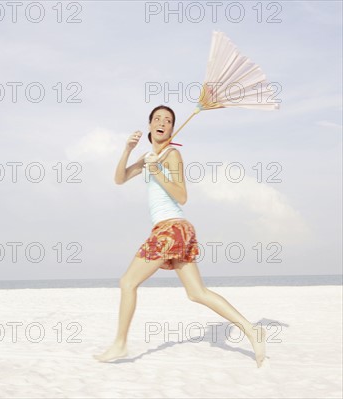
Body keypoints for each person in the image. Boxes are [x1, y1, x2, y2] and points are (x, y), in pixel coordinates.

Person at [93, 105, 267, 367]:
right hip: (176, 230)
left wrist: (157, 172)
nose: (163, 122)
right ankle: (251, 330)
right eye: (158, 119)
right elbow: (120, 178)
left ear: (172, 129)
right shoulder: (150, 155)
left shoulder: (172, 155)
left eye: (168, 120)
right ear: (150, 125)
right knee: (197, 293)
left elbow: (182, 195)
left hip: (170, 229)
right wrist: (128, 151)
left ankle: (120, 343)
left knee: (127, 282)